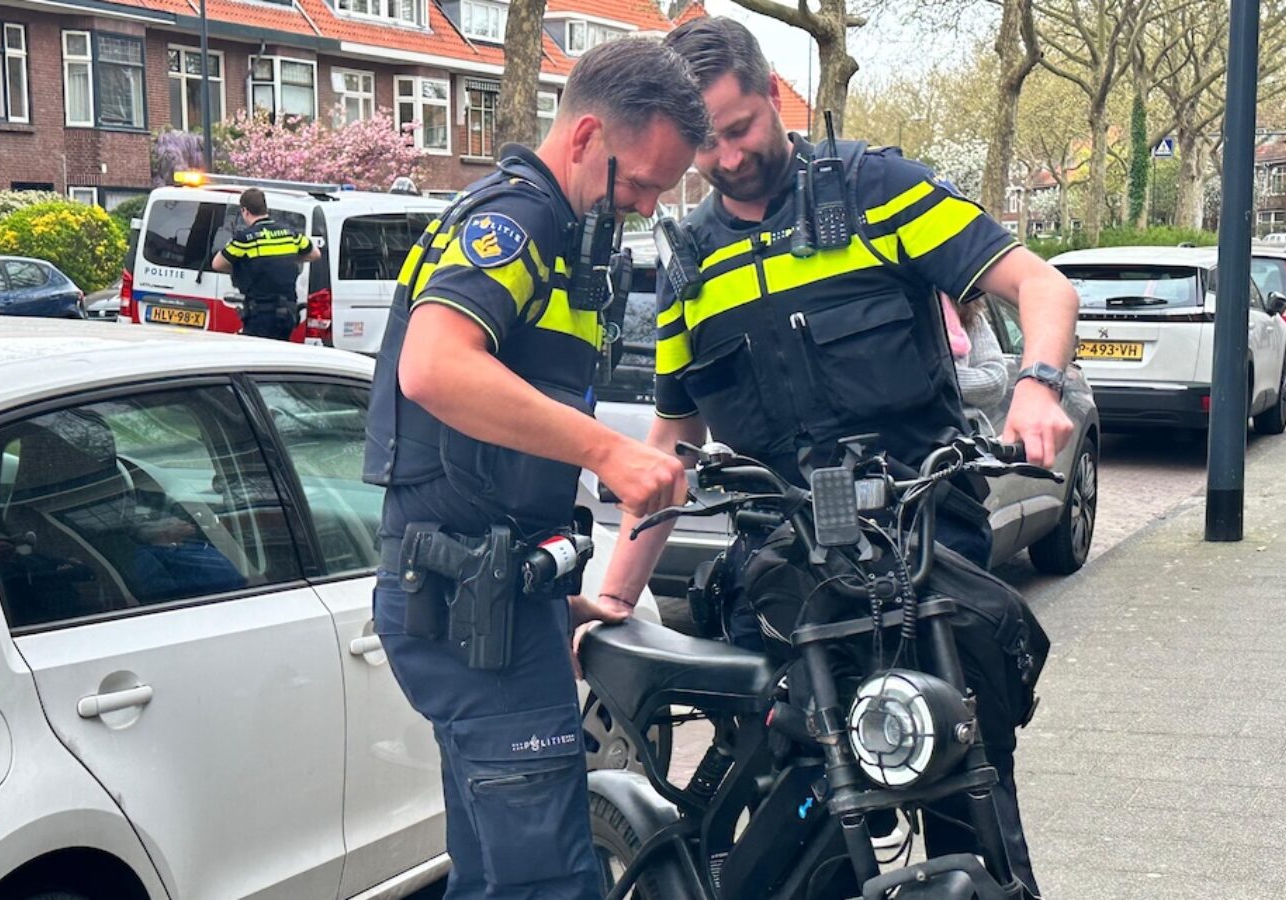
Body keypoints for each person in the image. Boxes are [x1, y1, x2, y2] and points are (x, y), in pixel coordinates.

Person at [590, 18, 1077, 896]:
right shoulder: (691, 262)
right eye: (705, 143)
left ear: (775, 94)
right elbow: (671, 441)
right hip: (785, 573)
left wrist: (1038, 383)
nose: (727, 158)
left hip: (921, 553)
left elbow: (1040, 284)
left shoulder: (876, 190)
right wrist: (617, 594)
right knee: (788, 802)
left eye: (739, 129)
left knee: (964, 779)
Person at [362, 38, 706, 900]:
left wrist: (548, 591)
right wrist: (611, 452)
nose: (644, 205)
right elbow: (435, 368)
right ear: (588, 133)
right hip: (472, 611)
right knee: (548, 883)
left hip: (496, 598)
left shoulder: (565, 237)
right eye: (639, 185)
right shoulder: (520, 221)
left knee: (491, 877)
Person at [210, 188, 322, 339]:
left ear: (245, 211)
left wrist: (243, 265)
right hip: (287, 313)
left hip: (260, 314)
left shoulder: (245, 239)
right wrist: (285, 259)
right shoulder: (290, 233)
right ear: (265, 209)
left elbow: (217, 264)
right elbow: (315, 254)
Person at [944, 293, 1011, 432]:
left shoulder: (961, 304)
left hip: (964, 437)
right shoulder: (889, 302)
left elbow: (995, 380)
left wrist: (935, 376)